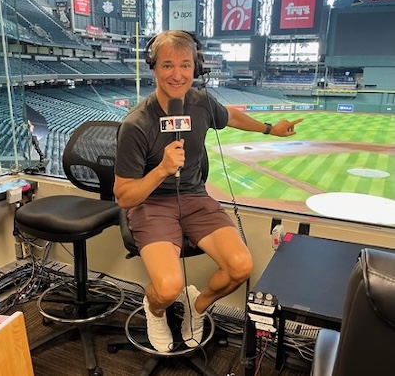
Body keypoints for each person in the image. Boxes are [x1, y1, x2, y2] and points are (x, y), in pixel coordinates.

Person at [114, 30, 303, 353]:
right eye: (168, 66)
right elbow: (125, 197)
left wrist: (270, 129)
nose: (177, 75)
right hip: (152, 204)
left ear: (196, 67)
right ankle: (155, 311)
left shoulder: (200, 102)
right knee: (168, 287)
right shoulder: (136, 124)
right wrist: (161, 169)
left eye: (185, 65)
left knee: (240, 267)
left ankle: (197, 307)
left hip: (195, 198)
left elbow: (229, 116)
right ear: (154, 68)